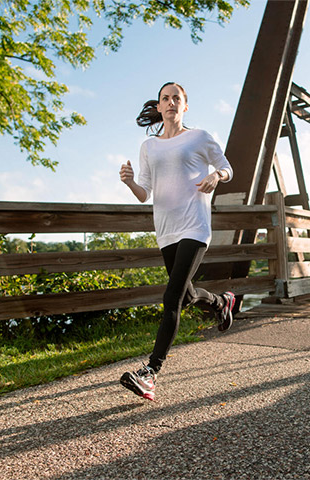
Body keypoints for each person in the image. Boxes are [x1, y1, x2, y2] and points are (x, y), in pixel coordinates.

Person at [118, 82, 235, 401]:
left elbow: (227, 168)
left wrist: (216, 176)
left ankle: (150, 373)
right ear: (158, 107)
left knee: (171, 297)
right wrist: (130, 183)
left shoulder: (199, 137)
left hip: (195, 225)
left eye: (176, 99)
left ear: (185, 106)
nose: (171, 103)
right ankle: (221, 302)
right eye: (165, 99)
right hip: (166, 229)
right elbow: (145, 193)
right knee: (184, 296)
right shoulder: (149, 148)